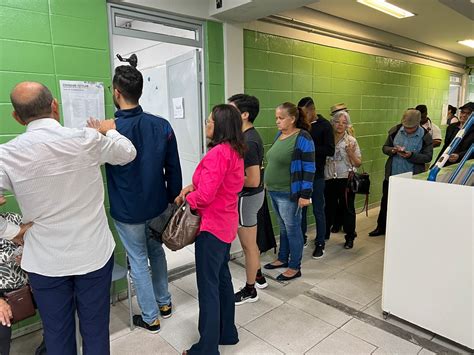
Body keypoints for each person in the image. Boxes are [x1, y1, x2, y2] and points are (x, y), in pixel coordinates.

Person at [0, 82, 136, 354]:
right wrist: (110, 130)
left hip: (45, 262)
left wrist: (10, 230)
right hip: (94, 255)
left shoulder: (6, 155)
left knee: (57, 334)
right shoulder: (87, 139)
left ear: (16, 117)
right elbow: (128, 153)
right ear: (55, 106)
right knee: (96, 330)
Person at [92, 65, 182, 333]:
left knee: (138, 260)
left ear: (116, 93)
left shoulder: (110, 131)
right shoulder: (162, 125)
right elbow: (173, 168)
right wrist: (170, 202)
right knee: (156, 252)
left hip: (127, 210)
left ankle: (151, 316)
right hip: (157, 205)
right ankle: (164, 303)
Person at [176, 104, 245, 355]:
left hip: (212, 228)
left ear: (221, 126)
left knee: (208, 287)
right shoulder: (235, 151)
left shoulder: (217, 153)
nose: (206, 125)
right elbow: (215, 186)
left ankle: (206, 349)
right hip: (226, 225)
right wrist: (191, 188)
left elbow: (205, 196)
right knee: (222, 280)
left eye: (209, 121)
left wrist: (187, 201)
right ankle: (228, 332)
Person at [263, 102, 315, 281]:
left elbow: (310, 167)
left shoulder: (303, 137)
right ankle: (282, 258)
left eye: (281, 118)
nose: (277, 121)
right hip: (274, 191)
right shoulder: (280, 134)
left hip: (289, 192)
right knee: (283, 227)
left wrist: (305, 195)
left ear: (292, 119)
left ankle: (295, 266)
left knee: (293, 229)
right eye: (276, 117)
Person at [227, 94, 267, 306]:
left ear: (244, 114)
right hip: (250, 197)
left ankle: (250, 289)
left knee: (248, 246)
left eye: (231, 109)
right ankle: (258, 275)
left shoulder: (249, 141)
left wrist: (226, 177)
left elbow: (252, 180)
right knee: (251, 245)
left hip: (247, 199)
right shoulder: (245, 137)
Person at [369, 109, 433, 237]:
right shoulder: (395, 131)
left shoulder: (426, 136)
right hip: (392, 175)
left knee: (408, 205)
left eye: (412, 128)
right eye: (406, 127)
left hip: (412, 177)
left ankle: (405, 231)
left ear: (418, 124)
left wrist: (411, 155)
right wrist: (392, 150)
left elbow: (427, 157)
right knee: (386, 202)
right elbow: (384, 147)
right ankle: (381, 227)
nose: (408, 130)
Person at [298, 97, 335, 258]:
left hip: (317, 174)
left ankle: (320, 242)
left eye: (305, 113)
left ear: (313, 110)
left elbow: (330, 150)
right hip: (301, 175)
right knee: (301, 209)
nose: (303, 116)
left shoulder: (325, 125)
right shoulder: (300, 126)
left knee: (319, 209)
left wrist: (309, 147)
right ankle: (302, 237)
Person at [324, 111, 362, 249]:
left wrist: (350, 153)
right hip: (328, 178)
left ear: (348, 125)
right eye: (337, 122)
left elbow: (358, 163)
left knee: (348, 209)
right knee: (328, 208)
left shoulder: (351, 141)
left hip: (345, 178)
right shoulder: (326, 138)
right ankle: (325, 233)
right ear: (332, 122)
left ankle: (350, 237)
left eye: (344, 122)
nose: (340, 125)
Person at [436, 102, 474, 166]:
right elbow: (446, 146)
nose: (464, 115)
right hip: (447, 163)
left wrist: (459, 156)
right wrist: (436, 163)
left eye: (468, 113)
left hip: (464, 165)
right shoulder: (451, 127)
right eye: (462, 112)